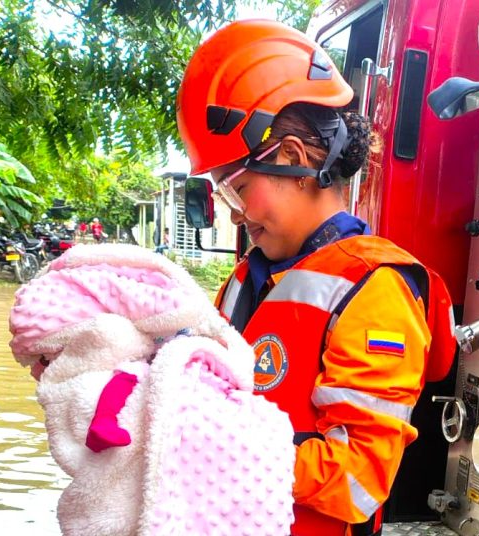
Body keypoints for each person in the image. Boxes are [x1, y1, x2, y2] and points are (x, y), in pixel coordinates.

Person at [177, 20, 457, 536]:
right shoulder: (245, 280)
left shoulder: (374, 290)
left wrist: (214, 441)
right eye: (225, 197)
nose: (236, 216)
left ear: (293, 158)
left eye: (236, 190)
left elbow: (358, 478)